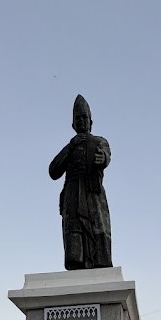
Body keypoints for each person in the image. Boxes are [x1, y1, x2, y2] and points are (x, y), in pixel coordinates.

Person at [49, 95, 112, 270]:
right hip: (72, 194)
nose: (82, 121)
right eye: (78, 118)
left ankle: (99, 262)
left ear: (91, 121)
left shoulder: (99, 141)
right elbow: (53, 171)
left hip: (92, 192)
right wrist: (70, 147)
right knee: (74, 233)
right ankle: (76, 263)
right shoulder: (70, 147)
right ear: (73, 124)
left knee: (97, 227)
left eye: (85, 117)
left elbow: (106, 154)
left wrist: (103, 158)